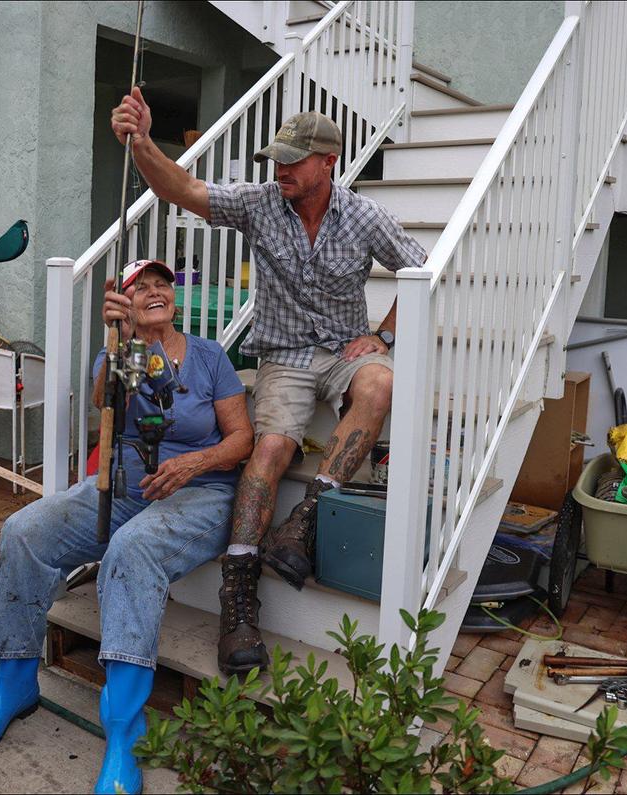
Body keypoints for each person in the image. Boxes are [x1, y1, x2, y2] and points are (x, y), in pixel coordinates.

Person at [111, 90, 427, 675]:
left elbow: (421, 270)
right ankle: (238, 599)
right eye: (276, 158)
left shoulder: (362, 215)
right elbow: (181, 189)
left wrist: (383, 336)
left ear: (327, 162)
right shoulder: (259, 204)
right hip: (282, 356)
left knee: (379, 383)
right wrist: (144, 143)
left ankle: (307, 517)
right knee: (271, 447)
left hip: (343, 353)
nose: (279, 169)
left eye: (292, 159)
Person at [0, 258, 253, 795]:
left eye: (163, 284)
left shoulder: (209, 355)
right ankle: (13, 685)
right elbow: (99, 400)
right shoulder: (121, 352)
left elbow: (241, 439)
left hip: (201, 494)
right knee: (25, 529)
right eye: (142, 288)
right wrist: (116, 339)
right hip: (125, 490)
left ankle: (123, 732)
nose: (156, 291)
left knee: (132, 551)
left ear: (176, 298)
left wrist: (192, 464)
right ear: (127, 306)